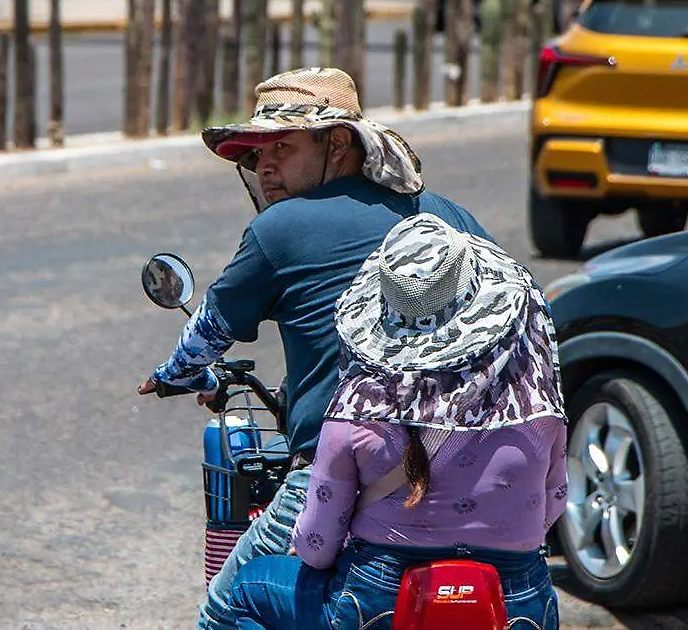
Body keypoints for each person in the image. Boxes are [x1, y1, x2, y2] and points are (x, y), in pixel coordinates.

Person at [136, 67, 495, 629]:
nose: (266, 166)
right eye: (256, 156)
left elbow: (207, 333)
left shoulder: (283, 228)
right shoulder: (450, 216)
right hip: (477, 476)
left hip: (342, 480)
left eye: (283, 145)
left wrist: (175, 375)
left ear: (338, 144)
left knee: (225, 609)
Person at [227, 214, 568, 630]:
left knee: (245, 591)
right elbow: (552, 506)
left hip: (377, 599)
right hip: (517, 599)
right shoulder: (539, 410)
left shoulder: (355, 414)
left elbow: (316, 548)